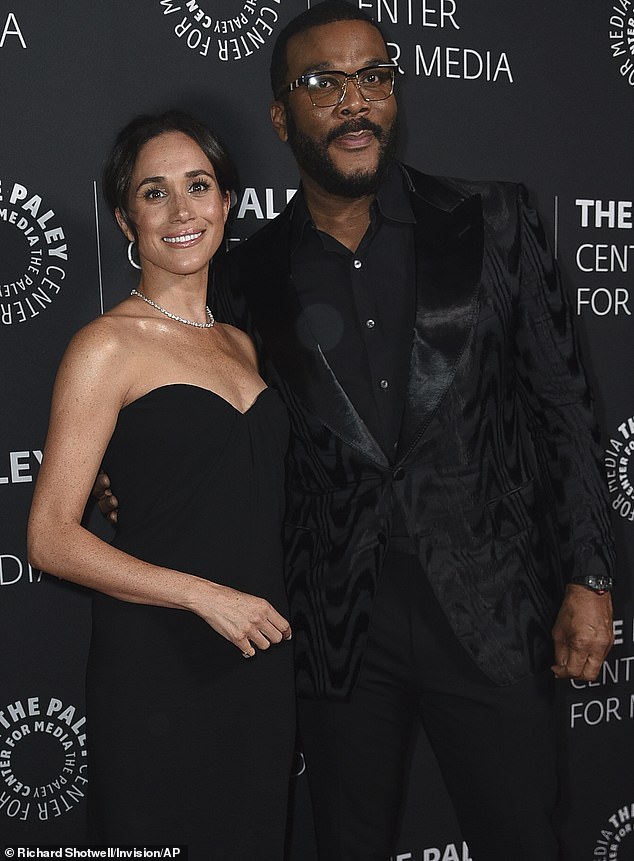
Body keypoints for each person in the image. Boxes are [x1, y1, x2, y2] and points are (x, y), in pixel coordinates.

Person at [209, 3, 617, 859]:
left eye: (375, 77)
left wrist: (588, 572)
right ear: (283, 114)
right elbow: (226, 431)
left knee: (522, 837)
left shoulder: (496, 220)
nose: (356, 102)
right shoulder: (246, 273)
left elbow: (565, 406)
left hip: (493, 603)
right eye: (323, 83)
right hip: (334, 619)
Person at [27, 110, 295, 859]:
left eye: (198, 186)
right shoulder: (105, 345)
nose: (182, 211)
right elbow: (49, 538)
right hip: (159, 662)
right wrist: (201, 593)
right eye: (155, 192)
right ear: (125, 217)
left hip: (258, 657)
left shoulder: (240, 341)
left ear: (227, 204)